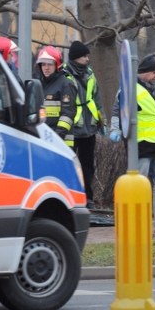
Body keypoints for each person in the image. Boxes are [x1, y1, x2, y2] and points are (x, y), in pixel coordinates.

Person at [109, 55, 155, 235]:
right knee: (139, 188)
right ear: (145, 73)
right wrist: (115, 130)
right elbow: (117, 111)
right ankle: (139, 225)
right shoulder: (129, 90)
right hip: (140, 146)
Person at [62, 40, 105, 208]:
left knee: (88, 166)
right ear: (76, 58)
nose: (87, 59)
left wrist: (102, 122)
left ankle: (88, 198)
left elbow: (97, 99)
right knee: (71, 165)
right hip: (72, 128)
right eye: (84, 56)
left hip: (89, 128)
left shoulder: (89, 74)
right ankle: (71, 197)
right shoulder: (65, 75)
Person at [35, 46, 77, 147]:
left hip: (62, 143)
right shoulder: (39, 84)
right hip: (44, 139)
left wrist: (57, 137)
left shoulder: (66, 84)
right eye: (43, 64)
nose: (46, 68)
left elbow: (68, 114)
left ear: (57, 65)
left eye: (50, 64)